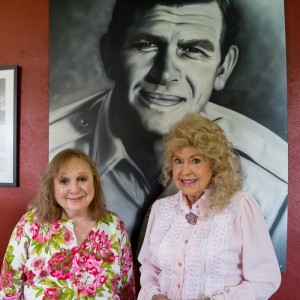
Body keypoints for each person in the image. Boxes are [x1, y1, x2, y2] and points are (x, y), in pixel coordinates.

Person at [49, 0, 287, 267]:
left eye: (193, 49)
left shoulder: (276, 189)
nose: (164, 74)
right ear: (110, 56)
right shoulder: (50, 154)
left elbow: (264, 277)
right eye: (146, 44)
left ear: (223, 68)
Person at [137, 113, 281, 300]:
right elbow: (149, 267)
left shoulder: (241, 207)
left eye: (195, 160)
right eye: (178, 160)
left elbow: (264, 281)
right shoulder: (161, 209)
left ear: (214, 164)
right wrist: (154, 295)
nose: (184, 171)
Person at [0, 148, 136, 299]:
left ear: (94, 182)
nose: (74, 189)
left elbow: (126, 289)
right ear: (51, 187)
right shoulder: (30, 224)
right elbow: (9, 286)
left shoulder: (114, 226)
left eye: (82, 179)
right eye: (64, 181)